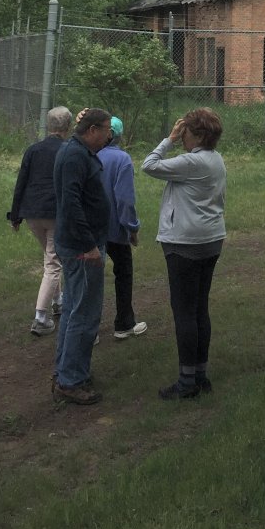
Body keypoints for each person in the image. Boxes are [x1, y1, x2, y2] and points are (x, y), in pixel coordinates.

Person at [142, 108, 226, 400]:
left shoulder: (192, 162)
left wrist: (168, 140)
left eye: (185, 132)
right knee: (199, 308)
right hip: (211, 239)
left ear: (198, 134)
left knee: (184, 313)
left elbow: (149, 165)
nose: (182, 137)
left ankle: (186, 381)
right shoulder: (215, 159)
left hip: (185, 244)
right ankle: (200, 374)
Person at [52, 108, 112, 405]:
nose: (108, 135)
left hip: (79, 242)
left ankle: (66, 371)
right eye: (106, 129)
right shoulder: (75, 156)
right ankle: (71, 380)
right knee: (85, 313)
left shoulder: (77, 153)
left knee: (75, 309)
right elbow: (71, 204)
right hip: (80, 247)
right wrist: (89, 245)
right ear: (91, 130)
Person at [8, 106, 71, 336]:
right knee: (53, 264)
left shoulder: (33, 149)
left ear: (48, 125)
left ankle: (59, 302)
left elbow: (21, 183)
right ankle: (40, 317)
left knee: (50, 257)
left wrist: (15, 215)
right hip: (54, 212)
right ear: (68, 127)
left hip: (32, 212)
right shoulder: (68, 150)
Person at [97, 115, 148, 341]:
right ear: (118, 135)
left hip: (92, 229)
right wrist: (132, 228)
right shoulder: (122, 159)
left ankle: (89, 329)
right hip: (115, 230)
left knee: (90, 277)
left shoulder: (88, 154)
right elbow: (125, 199)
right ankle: (124, 323)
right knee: (123, 273)